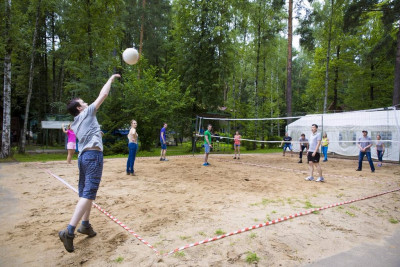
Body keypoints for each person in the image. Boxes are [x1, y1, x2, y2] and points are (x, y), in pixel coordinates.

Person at [58, 74, 120, 253]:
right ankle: (69, 231)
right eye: (83, 102)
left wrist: (97, 134)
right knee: (89, 193)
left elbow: (88, 134)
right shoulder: (87, 112)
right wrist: (109, 79)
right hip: (93, 156)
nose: (86, 103)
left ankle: (85, 224)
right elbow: (103, 96)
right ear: (79, 107)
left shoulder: (75, 123)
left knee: (87, 192)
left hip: (83, 158)